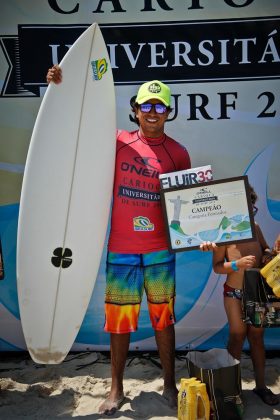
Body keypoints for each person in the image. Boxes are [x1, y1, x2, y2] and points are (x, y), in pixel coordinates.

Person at [47, 66, 215, 415]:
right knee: (119, 322)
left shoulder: (178, 153)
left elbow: (188, 207)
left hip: (159, 252)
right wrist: (60, 88)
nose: (153, 112)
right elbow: (75, 127)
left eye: (160, 106)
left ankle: (169, 384)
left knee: (163, 320)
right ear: (135, 109)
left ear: (169, 112)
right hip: (121, 251)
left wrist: (203, 236)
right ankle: (116, 388)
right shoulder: (116, 141)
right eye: (147, 105)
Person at [212, 185, 279, 406]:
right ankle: (232, 388)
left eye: (252, 207)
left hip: (257, 292)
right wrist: (236, 264)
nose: (249, 212)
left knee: (257, 337)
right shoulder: (223, 232)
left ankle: (260, 386)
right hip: (234, 293)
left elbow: (266, 249)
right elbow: (218, 266)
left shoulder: (256, 227)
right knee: (237, 335)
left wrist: (269, 255)